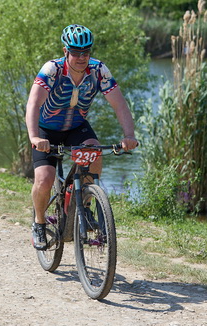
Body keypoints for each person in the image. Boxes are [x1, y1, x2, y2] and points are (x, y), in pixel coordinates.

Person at [25, 24, 138, 250]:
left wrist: (129, 135)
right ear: (65, 51)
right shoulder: (52, 70)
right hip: (47, 130)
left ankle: (83, 204)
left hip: (76, 127)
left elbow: (119, 105)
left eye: (86, 52)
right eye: (76, 52)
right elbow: (33, 104)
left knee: (94, 152)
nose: (81, 57)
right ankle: (39, 222)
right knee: (45, 179)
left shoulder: (99, 71)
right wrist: (35, 137)